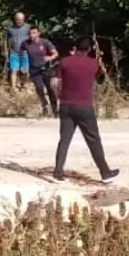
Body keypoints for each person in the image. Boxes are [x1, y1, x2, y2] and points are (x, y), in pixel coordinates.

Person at [54, 37, 120, 184]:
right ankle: (105, 171)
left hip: (66, 105)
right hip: (84, 106)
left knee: (64, 140)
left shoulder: (64, 62)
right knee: (93, 140)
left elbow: (57, 83)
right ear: (89, 49)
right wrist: (100, 62)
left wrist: (60, 97)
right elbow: (100, 79)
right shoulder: (93, 63)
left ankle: (58, 171)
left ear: (75, 47)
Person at [19, 25, 59, 117]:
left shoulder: (45, 42)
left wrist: (50, 58)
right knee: (39, 88)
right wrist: (23, 65)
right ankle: (45, 106)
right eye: (30, 33)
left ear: (38, 33)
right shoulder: (25, 43)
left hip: (46, 69)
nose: (31, 35)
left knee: (50, 89)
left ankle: (55, 109)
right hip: (34, 70)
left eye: (34, 33)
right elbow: (21, 55)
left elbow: (56, 53)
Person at [3, 11, 31, 91]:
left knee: (25, 72)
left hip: (25, 53)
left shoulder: (28, 28)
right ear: (15, 19)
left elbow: (33, 39)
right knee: (14, 70)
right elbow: (5, 40)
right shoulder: (10, 28)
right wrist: (6, 50)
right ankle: (13, 88)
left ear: (24, 19)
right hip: (14, 52)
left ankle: (22, 85)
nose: (19, 21)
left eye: (21, 19)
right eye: (17, 19)